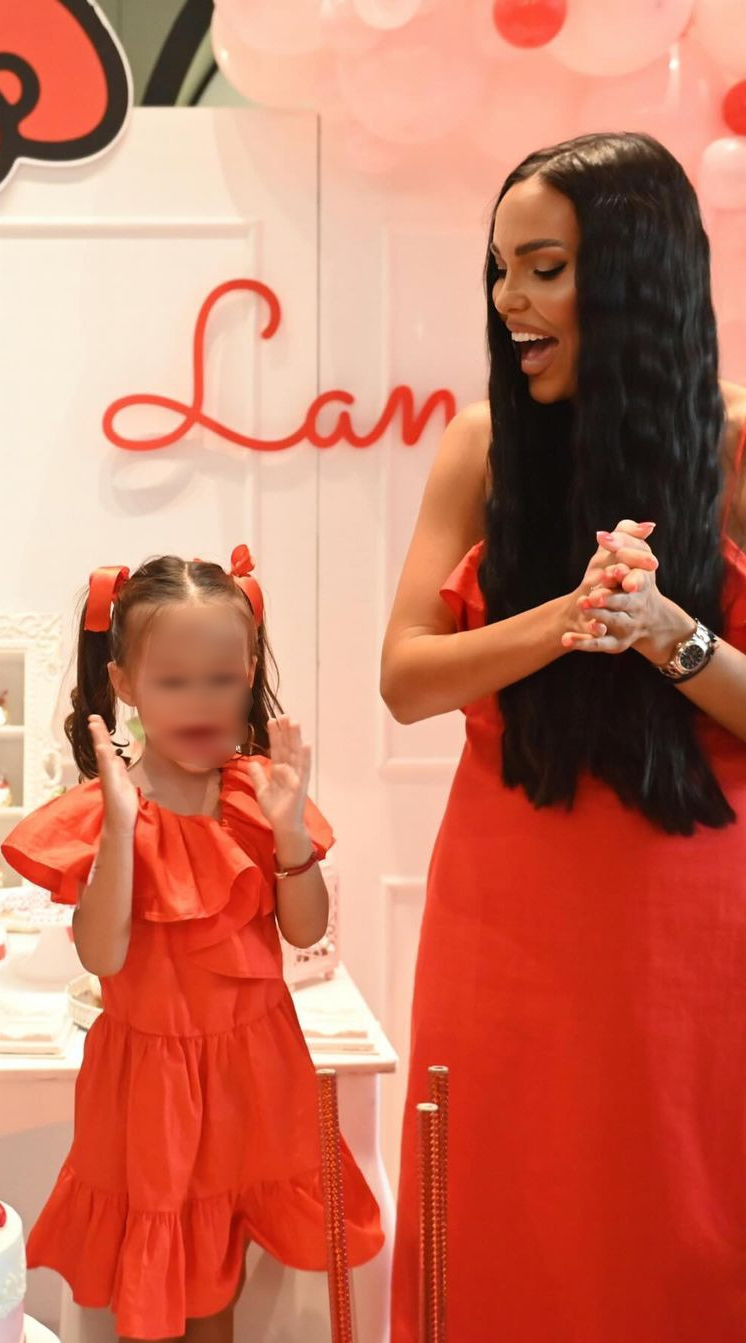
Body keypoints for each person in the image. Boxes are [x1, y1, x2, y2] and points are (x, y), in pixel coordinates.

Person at [380, 131, 746, 1342]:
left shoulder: (736, 450)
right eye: (501, 269)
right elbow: (405, 678)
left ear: (636, 275)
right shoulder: (484, 443)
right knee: (504, 1208)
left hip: (690, 926)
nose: (510, 300)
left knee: (682, 1218)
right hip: (508, 911)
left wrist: (668, 633)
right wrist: (568, 618)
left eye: (544, 268)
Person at [2, 548, 384, 1342]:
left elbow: (305, 928)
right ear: (126, 683)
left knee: (218, 1276)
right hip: (148, 1082)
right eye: (174, 681)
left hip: (254, 1071)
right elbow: (103, 957)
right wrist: (118, 829)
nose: (201, 701)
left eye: (222, 679)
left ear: (249, 674)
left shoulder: (255, 794)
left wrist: (290, 834)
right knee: (156, 1272)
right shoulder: (105, 808)